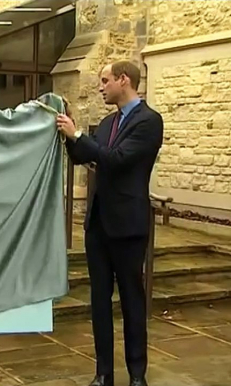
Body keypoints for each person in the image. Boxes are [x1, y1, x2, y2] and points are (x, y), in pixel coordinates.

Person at [56, 61, 163, 386]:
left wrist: (77, 135)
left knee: (132, 301)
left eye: (105, 81)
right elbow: (86, 155)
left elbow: (115, 159)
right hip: (99, 225)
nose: (100, 87)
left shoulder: (149, 121)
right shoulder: (106, 122)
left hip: (128, 226)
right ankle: (103, 374)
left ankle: (137, 376)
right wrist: (68, 133)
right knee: (99, 302)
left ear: (123, 80)